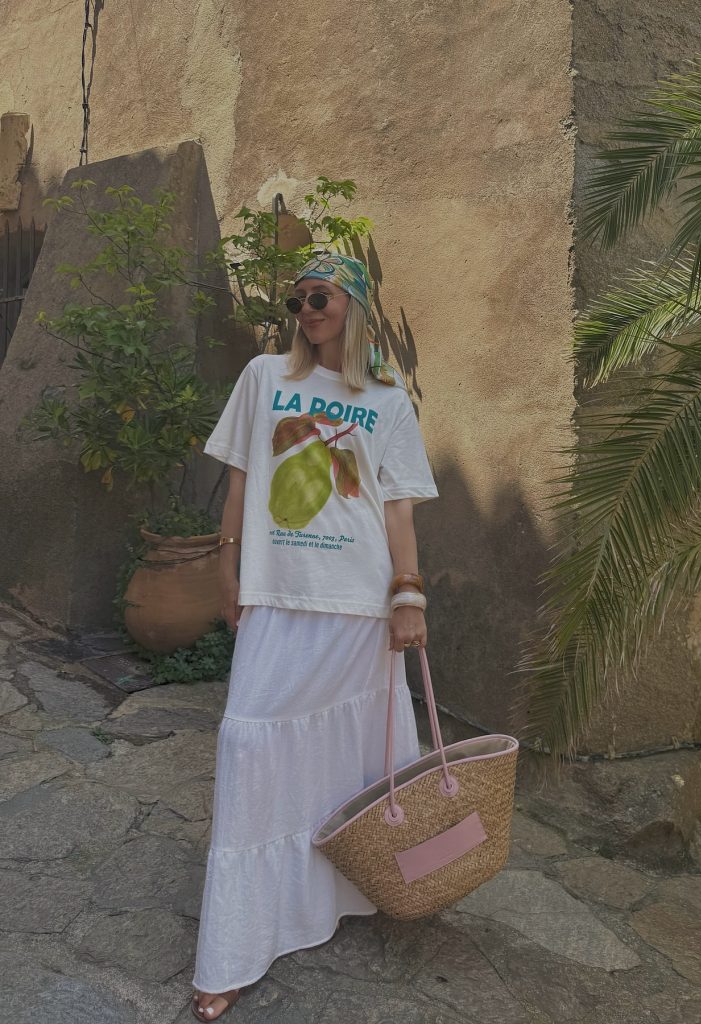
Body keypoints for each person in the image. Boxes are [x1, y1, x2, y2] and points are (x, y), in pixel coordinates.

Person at [190, 252, 439, 1020]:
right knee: (249, 743)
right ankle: (232, 943)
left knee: (350, 756)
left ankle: (343, 895)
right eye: (296, 300)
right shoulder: (266, 378)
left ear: (354, 305)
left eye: (319, 296)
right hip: (278, 594)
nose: (305, 310)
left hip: (358, 606)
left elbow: (396, 509)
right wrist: (228, 569)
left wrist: (408, 595)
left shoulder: (388, 402)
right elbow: (238, 480)